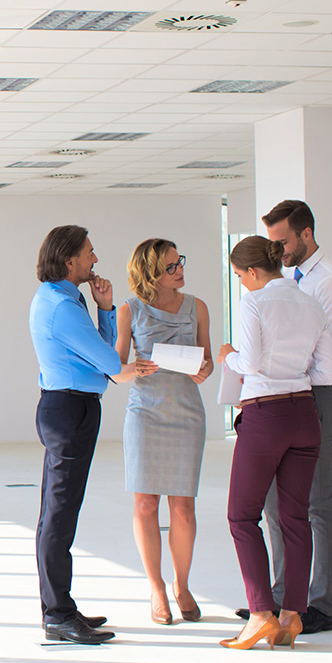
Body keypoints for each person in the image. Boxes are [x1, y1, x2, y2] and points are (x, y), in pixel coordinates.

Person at [29, 225, 151, 644]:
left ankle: (58, 607)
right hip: (69, 409)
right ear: (69, 260)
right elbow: (110, 363)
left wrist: (104, 309)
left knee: (59, 511)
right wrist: (135, 367)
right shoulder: (61, 307)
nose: (95, 259)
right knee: (60, 514)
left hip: (70, 406)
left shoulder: (65, 298)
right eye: (89, 253)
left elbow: (98, 353)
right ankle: (58, 614)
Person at [217, 236, 332, 651]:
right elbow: (326, 374)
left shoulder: (254, 302)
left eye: (239, 276)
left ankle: (260, 615)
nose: (241, 284)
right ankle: (291, 617)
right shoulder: (312, 303)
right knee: (296, 518)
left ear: (252, 272)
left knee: (241, 516)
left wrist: (227, 355)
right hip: (305, 415)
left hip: (265, 415)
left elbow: (247, 363)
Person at [251, 199, 332, 636]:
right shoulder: (290, 279)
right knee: (276, 502)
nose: (276, 251)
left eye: (282, 242)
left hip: (316, 396)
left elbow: (324, 358)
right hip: (286, 397)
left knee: (315, 504)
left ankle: (320, 605)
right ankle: (280, 600)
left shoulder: (329, 282)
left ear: (306, 234)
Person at [116, 239, 213, 625]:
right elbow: (117, 368)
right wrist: (133, 369)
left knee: (184, 507)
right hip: (145, 414)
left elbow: (205, 365)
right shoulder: (130, 310)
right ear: (151, 271)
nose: (180, 270)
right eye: (171, 266)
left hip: (187, 413)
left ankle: (183, 585)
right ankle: (156, 587)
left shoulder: (197, 306)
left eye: (180, 262)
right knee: (145, 504)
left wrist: (204, 369)